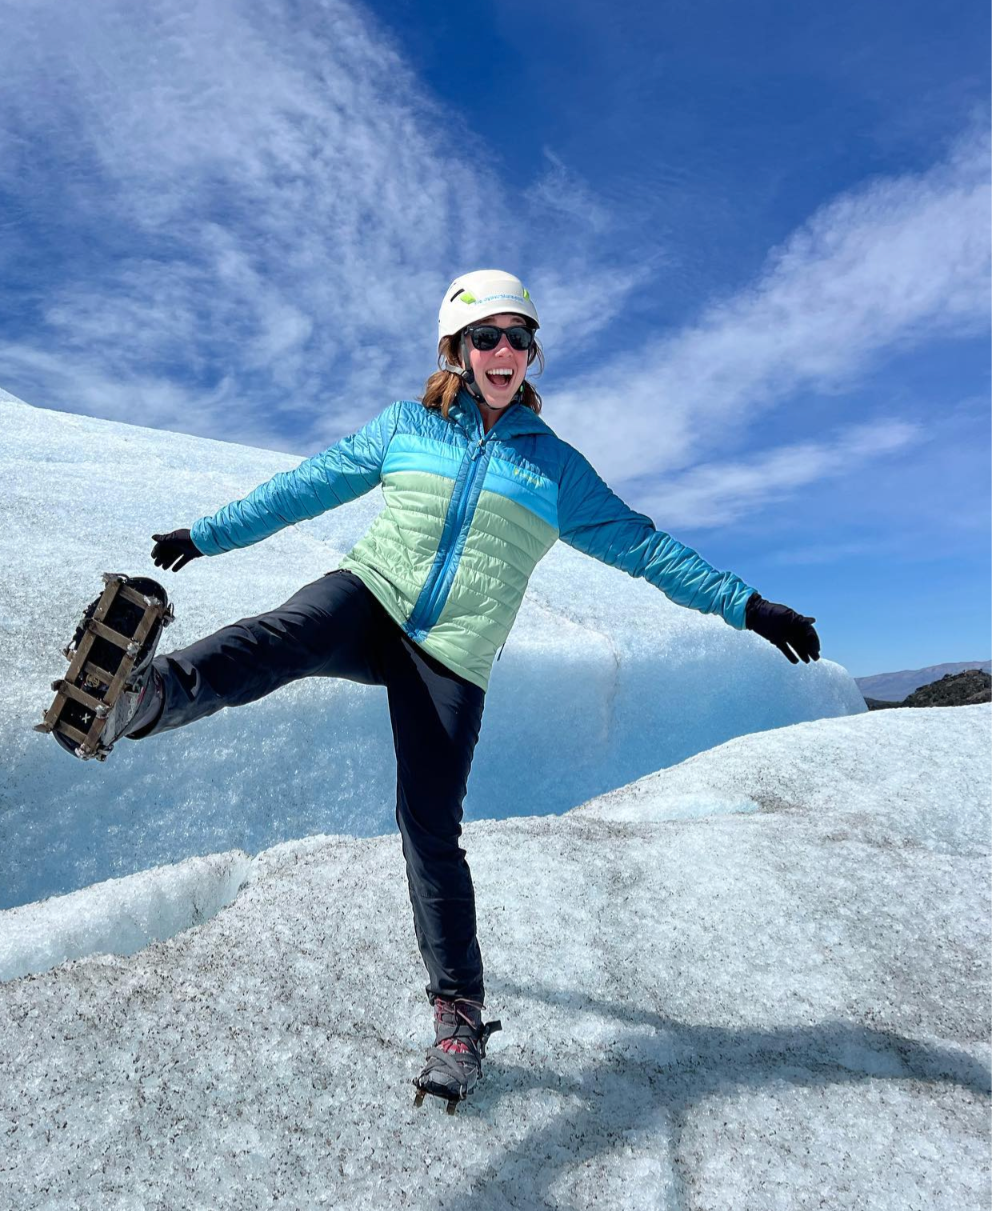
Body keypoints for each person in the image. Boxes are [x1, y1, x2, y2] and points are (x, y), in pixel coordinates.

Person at [78, 269, 820, 1107]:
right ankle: (137, 700)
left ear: (532, 355)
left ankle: (459, 1020)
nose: (504, 351)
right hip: (373, 597)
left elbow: (647, 550)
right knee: (278, 638)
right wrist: (207, 535)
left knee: (430, 830)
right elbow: (308, 484)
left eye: (519, 338)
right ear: (457, 350)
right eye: (486, 337)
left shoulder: (559, 473)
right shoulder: (406, 428)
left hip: (453, 654)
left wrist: (748, 605)